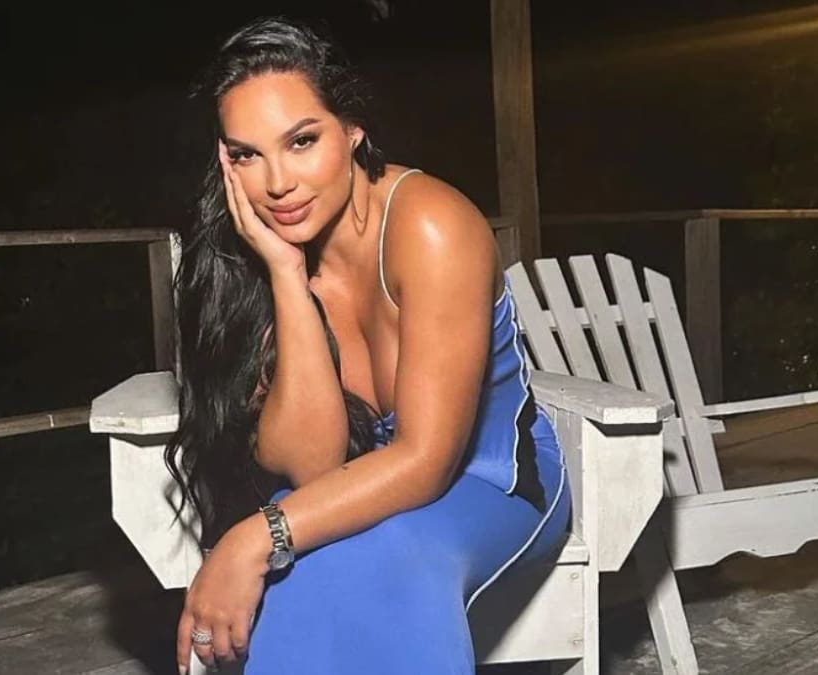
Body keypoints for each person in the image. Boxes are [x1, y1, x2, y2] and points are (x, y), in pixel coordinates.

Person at [164, 16, 570, 674]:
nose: (277, 182)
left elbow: (426, 461)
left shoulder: (432, 226)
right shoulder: (247, 265)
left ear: (352, 128)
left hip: (494, 479)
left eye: (301, 141)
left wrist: (255, 537)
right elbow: (315, 466)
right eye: (246, 155)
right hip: (357, 482)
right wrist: (286, 276)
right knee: (305, 569)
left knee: (383, 558)